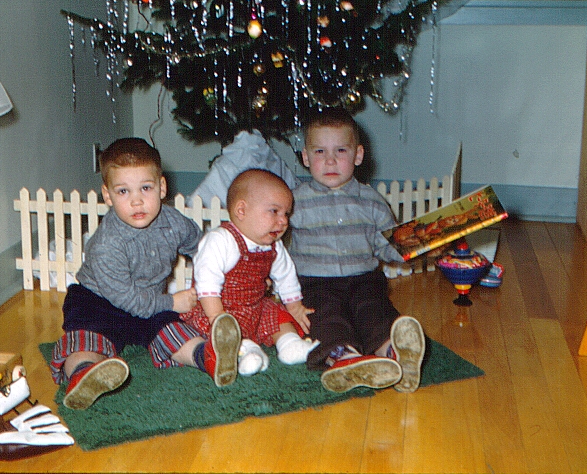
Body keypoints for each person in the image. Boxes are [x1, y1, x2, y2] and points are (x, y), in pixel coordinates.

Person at [49, 138, 242, 410]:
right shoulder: (107, 244)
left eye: (146, 188)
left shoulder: (173, 222)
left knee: (171, 326)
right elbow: (128, 299)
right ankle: (83, 372)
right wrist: (172, 301)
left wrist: (234, 272)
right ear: (108, 196)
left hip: (149, 301)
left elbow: (204, 250)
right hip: (99, 301)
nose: (137, 200)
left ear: (162, 187)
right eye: (123, 191)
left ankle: (206, 355)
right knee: (86, 334)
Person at [289, 110, 426, 393]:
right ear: (305, 157)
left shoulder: (372, 201)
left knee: (375, 312)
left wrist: (419, 248)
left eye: (340, 150)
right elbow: (272, 241)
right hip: (315, 283)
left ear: (358, 155)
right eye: (319, 151)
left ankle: (394, 352)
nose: (330, 160)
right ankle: (345, 358)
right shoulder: (294, 202)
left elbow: (386, 245)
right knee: (325, 318)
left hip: (364, 280)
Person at [181, 168, 318, 376]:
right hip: (220, 308)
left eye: (286, 214)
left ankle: (289, 343)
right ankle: (247, 352)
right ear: (241, 211)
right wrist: (217, 317)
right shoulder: (221, 240)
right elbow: (207, 282)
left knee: (278, 316)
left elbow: (286, 276)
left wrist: (295, 306)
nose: (283, 221)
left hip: (255, 306)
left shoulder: (274, 246)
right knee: (222, 336)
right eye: (274, 211)